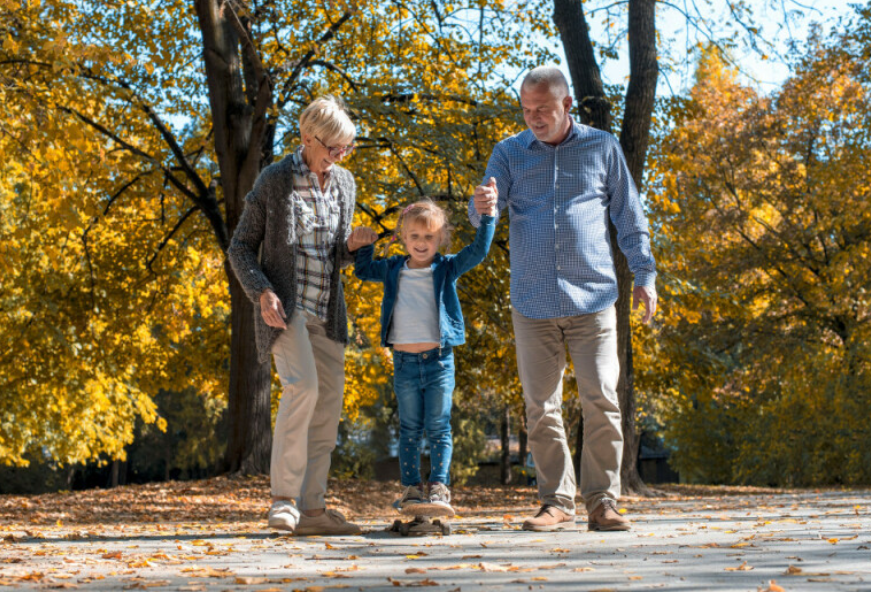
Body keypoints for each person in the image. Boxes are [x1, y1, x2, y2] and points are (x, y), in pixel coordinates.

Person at [469, 66, 657, 532]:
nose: (533, 118)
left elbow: (629, 217)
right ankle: (556, 501)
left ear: (567, 105)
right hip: (532, 302)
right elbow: (483, 219)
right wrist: (482, 208)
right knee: (541, 407)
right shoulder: (509, 153)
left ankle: (603, 501)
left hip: (593, 299)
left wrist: (645, 273)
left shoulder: (602, 147)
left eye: (543, 110)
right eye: (527, 110)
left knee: (602, 401)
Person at [227, 95, 375, 536]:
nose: (341, 156)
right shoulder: (275, 180)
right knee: (303, 388)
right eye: (334, 147)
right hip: (286, 309)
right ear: (308, 138)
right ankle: (284, 500)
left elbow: (334, 257)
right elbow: (240, 247)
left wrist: (351, 248)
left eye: (347, 147)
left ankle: (313, 509)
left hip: (327, 311)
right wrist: (262, 292)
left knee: (327, 406)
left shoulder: (344, 183)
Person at [352, 199, 497, 516]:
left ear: (441, 238)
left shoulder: (446, 269)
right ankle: (411, 489)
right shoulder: (393, 269)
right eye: (414, 236)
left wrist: (487, 219)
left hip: (439, 362)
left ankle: (439, 488)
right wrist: (364, 245)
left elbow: (478, 252)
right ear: (403, 237)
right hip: (404, 363)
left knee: (439, 427)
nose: (421, 243)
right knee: (409, 430)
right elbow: (362, 270)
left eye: (428, 237)